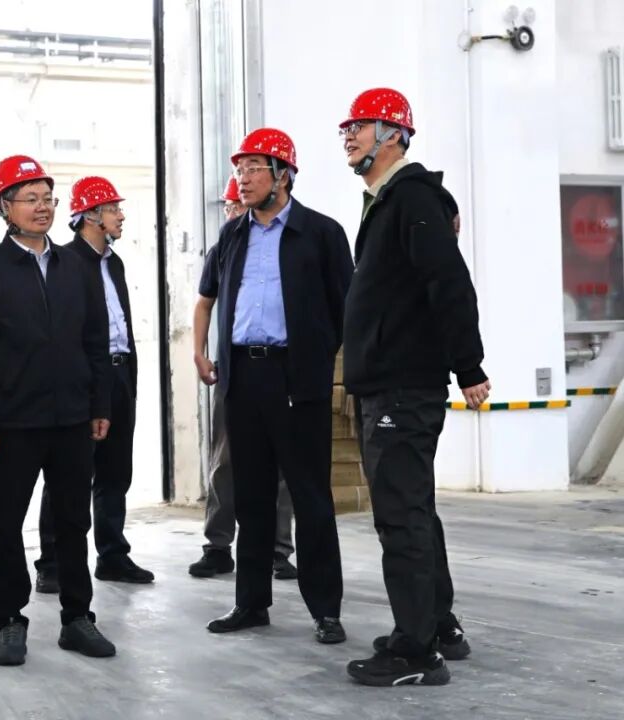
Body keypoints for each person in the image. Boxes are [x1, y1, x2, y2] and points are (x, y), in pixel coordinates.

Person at [339, 87, 489, 687]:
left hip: (403, 385)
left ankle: (415, 653)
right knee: (415, 509)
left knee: (401, 517)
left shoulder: (412, 198)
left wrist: (469, 365)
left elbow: (448, 281)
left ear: (393, 135)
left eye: (360, 126)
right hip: (392, 382)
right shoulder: (388, 201)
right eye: (346, 128)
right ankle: (437, 625)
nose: (349, 137)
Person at [196, 129, 352, 645]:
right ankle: (250, 603)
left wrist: (315, 361)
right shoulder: (232, 236)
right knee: (252, 497)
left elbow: (344, 310)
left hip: (296, 380)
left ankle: (325, 610)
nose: (242, 180)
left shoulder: (321, 233)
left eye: (253, 169)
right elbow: (211, 299)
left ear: (283, 175)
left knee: (310, 497)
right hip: (242, 377)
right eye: (239, 170)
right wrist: (205, 353)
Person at [0, 154, 115, 667]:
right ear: (5, 207)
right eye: (30, 199)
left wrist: (99, 403)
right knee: (5, 526)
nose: (42, 207)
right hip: (11, 424)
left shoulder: (78, 267)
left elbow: (96, 340)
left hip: (72, 418)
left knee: (73, 523)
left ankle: (77, 618)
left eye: (48, 198)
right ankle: (10, 620)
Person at [34, 176, 153, 586]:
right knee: (67, 474)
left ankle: (112, 555)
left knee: (116, 470)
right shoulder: (64, 263)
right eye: (113, 209)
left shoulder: (113, 263)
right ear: (91, 216)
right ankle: (52, 563)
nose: (121, 216)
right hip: (83, 379)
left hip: (119, 373)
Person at [189, 175, 297, 581]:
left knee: (281, 465)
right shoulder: (226, 244)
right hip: (234, 369)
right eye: (229, 207)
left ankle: (278, 551)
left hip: (281, 369)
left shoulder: (289, 242)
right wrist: (199, 352)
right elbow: (204, 302)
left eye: (235, 206)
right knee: (226, 460)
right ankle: (218, 545)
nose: (232, 213)